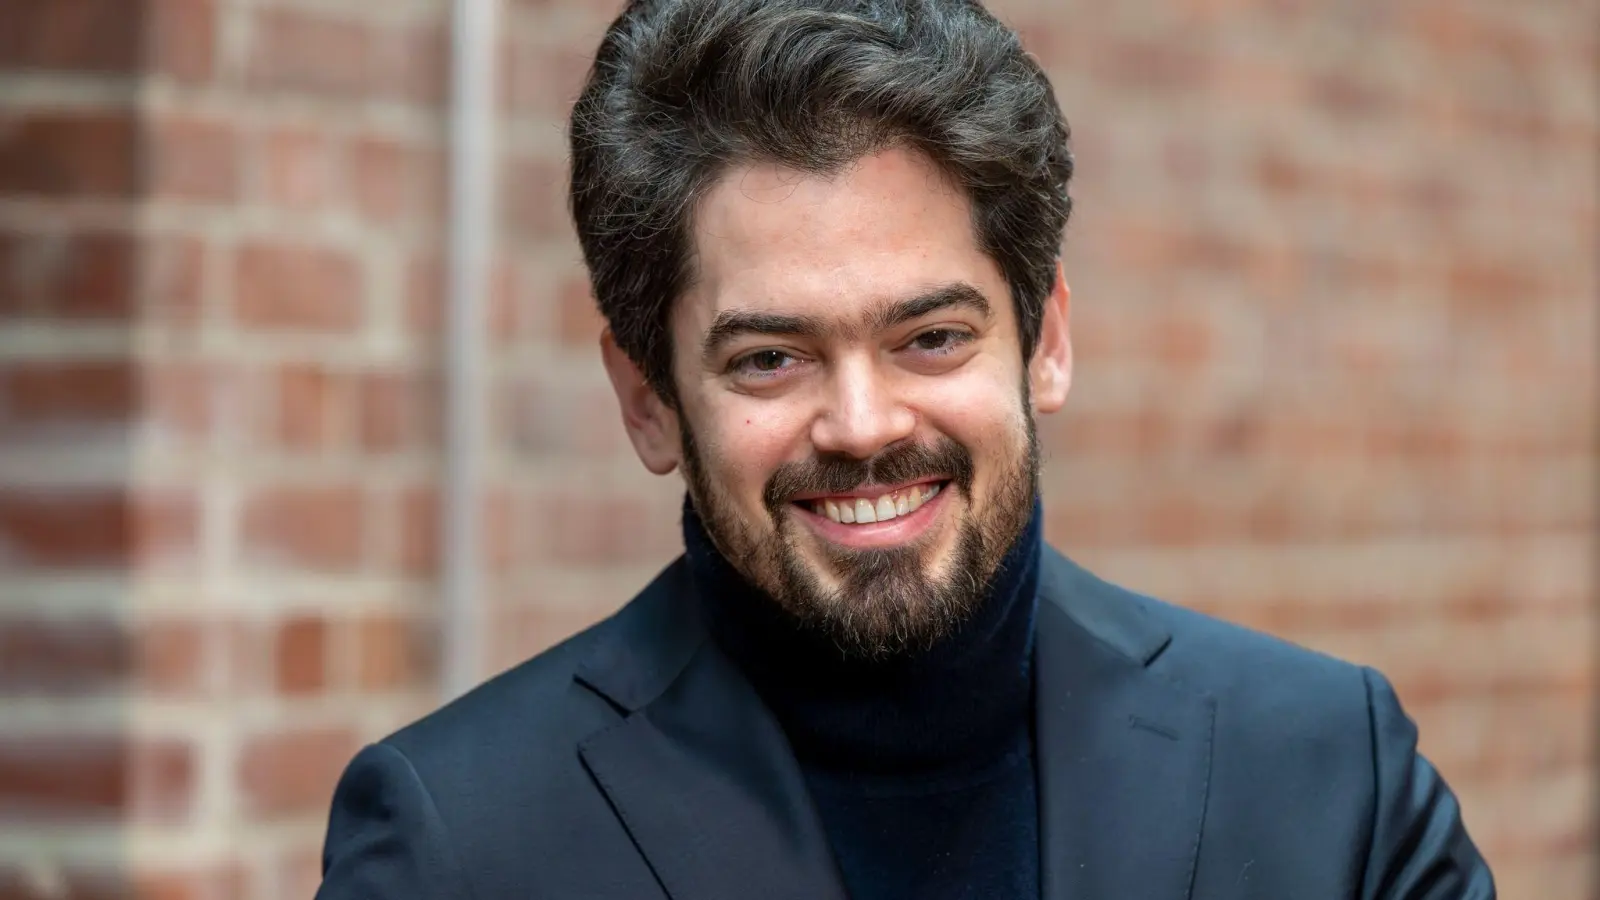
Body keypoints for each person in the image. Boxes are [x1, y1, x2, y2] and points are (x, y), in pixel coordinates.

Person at [316, 0, 1496, 897]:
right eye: (768, 358)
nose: (865, 424)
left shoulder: (1328, 771)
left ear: (1045, 343)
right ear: (648, 401)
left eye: (930, 338)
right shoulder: (457, 842)